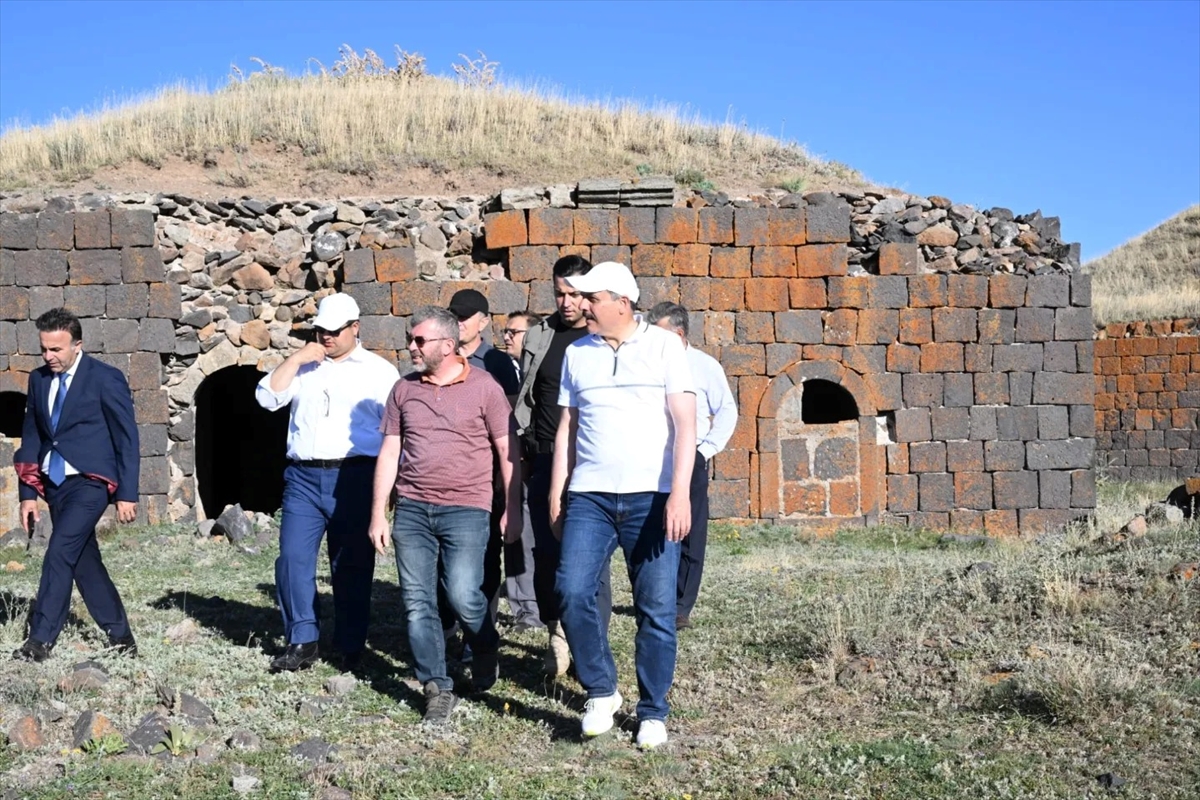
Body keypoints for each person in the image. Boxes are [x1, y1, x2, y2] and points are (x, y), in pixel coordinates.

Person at [549, 262, 696, 750]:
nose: (581, 305)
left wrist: (679, 493)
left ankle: (653, 710)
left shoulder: (665, 346)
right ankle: (602, 690)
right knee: (570, 591)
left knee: (654, 606)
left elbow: (685, 424)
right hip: (589, 494)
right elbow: (567, 427)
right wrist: (557, 491)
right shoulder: (577, 353)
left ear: (622, 302)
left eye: (591, 298)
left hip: (651, 496)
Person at [369, 306, 521, 725]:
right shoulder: (403, 390)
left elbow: (508, 452)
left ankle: (485, 643)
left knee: (462, 595)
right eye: (411, 338)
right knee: (418, 603)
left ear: (448, 345)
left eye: (420, 340)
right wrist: (379, 514)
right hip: (413, 509)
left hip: (467, 508)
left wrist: (512, 509)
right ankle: (436, 686)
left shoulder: (485, 387)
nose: (411, 346)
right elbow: (390, 451)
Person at [254, 293, 399, 673]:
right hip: (303, 476)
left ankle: (350, 644)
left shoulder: (380, 371)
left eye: (334, 331)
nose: (326, 337)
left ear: (355, 328)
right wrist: (297, 358)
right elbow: (266, 398)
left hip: (354, 474)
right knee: (292, 559)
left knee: (350, 563)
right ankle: (302, 638)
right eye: (321, 330)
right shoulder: (306, 365)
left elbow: (397, 430)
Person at [12, 308, 140, 662]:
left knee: (59, 551)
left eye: (56, 350)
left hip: (91, 483)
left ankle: (39, 641)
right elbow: (33, 434)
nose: (49, 357)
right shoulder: (38, 380)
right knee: (84, 561)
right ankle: (121, 636)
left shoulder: (105, 378)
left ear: (77, 344)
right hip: (54, 484)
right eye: (44, 349)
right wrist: (28, 494)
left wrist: (127, 493)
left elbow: (126, 437)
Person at [513, 255, 613, 676]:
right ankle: (559, 635)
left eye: (574, 294)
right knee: (547, 552)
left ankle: (591, 645)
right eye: (559, 293)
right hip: (544, 458)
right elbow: (528, 396)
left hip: (591, 461)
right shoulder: (541, 335)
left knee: (594, 561)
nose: (567, 302)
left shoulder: (601, 336)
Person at [645, 302, 738, 630]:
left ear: (679, 334)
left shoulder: (703, 366)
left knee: (690, 532)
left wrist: (706, 450)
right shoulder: (646, 362)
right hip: (652, 457)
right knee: (651, 528)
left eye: (659, 334)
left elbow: (727, 409)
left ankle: (681, 606)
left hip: (691, 457)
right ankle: (655, 597)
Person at [498, 310, 542, 631]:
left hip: (539, 460)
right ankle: (525, 608)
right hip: (515, 462)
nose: (507, 337)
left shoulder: (542, 369)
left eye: (514, 331)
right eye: (506, 331)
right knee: (516, 533)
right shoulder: (505, 369)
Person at [502, 312, 538, 379]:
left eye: (513, 332)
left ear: (532, 333)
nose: (506, 337)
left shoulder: (546, 368)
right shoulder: (501, 367)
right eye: (506, 332)